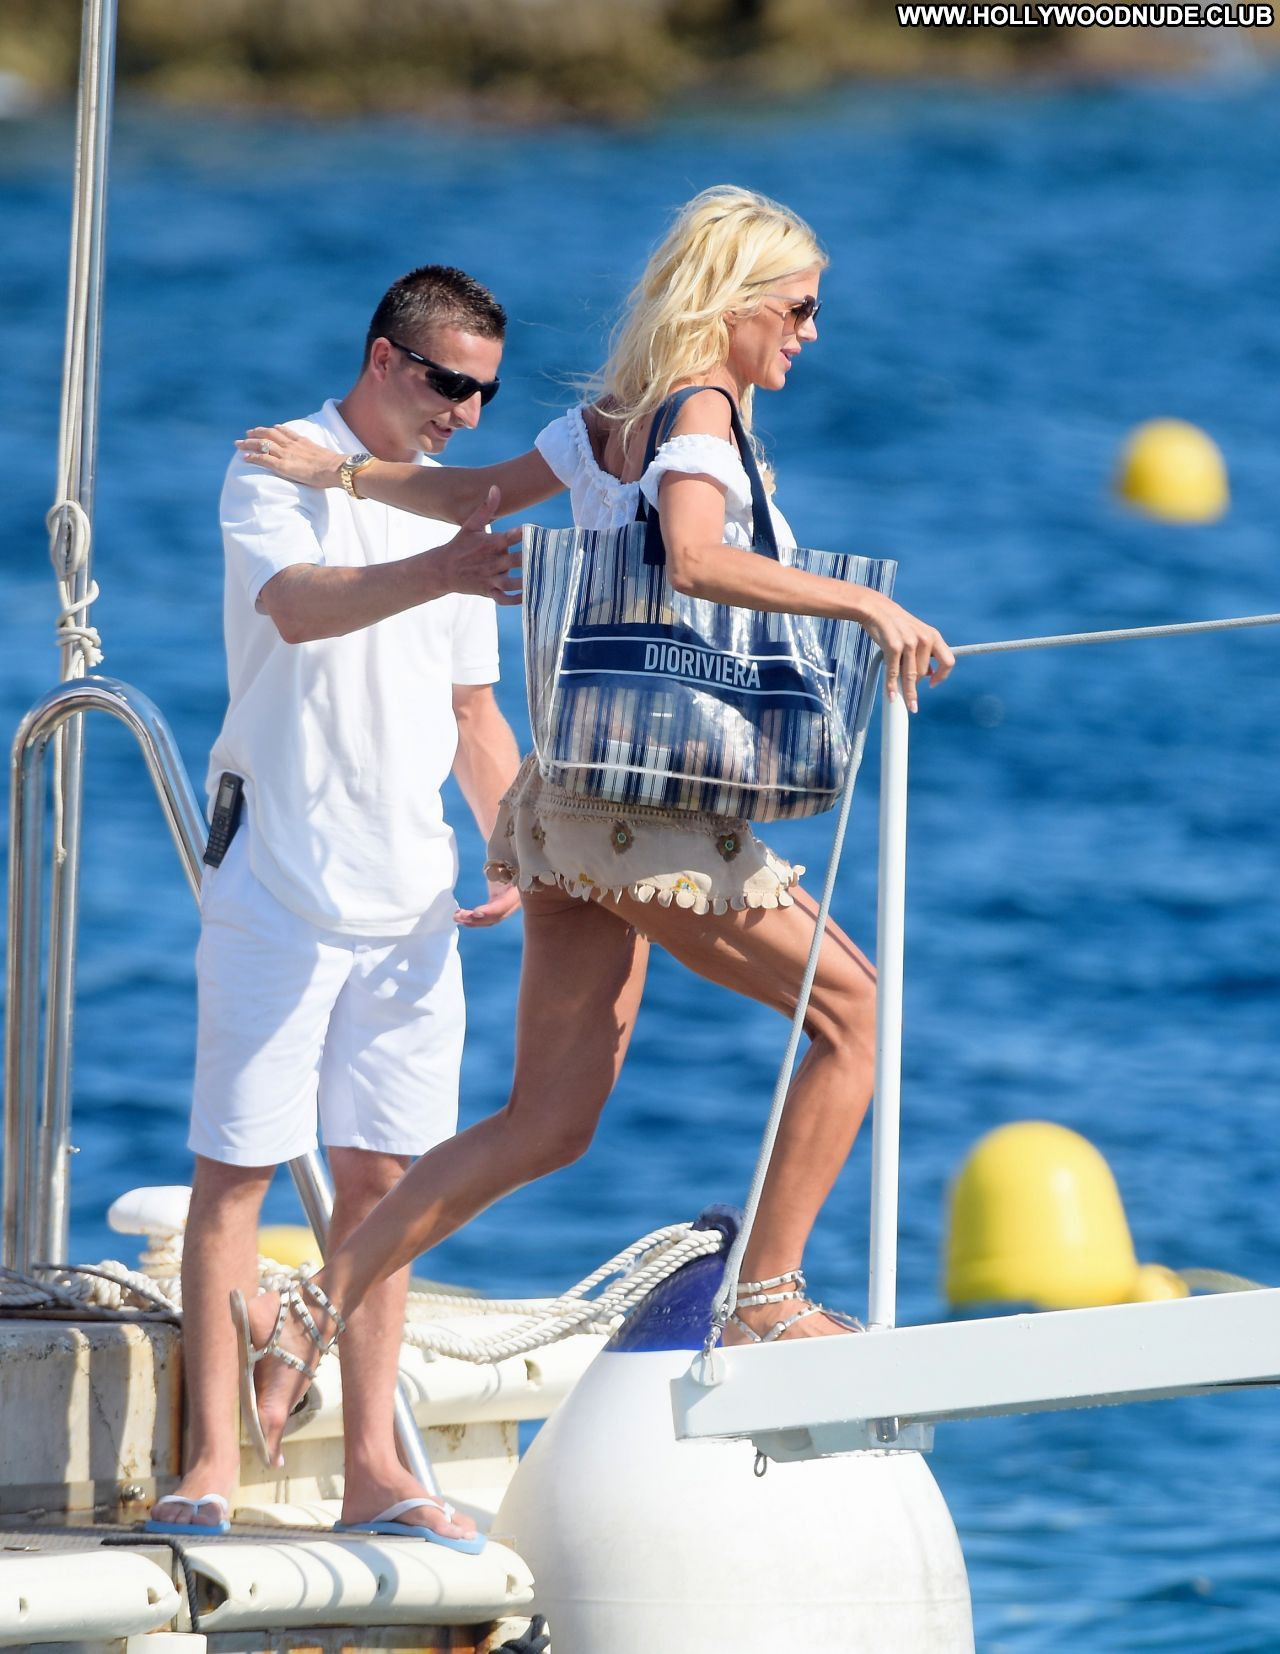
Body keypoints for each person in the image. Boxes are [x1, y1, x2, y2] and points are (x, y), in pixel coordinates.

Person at [232, 186, 955, 1467]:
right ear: (733, 300)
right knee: (856, 1014)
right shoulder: (697, 414)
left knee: (546, 1122)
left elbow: (470, 499)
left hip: (570, 799)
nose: (808, 333)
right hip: (652, 815)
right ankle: (768, 1293)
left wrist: (340, 472)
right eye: (796, 308)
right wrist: (864, 610)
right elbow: (695, 558)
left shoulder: (613, 416)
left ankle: (309, 1302)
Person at [147, 265, 522, 1551]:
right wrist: (443, 564)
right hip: (278, 873)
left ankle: (373, 1469)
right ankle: (208, 1465)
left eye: (486, 394)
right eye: (450, 384)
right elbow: (300, 609)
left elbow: (472, 711)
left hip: (411, 888)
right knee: (236, 1170)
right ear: (384, 358)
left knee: (385, 1179)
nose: (467, 415)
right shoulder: (275, 462)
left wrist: (515, 842)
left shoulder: (449, 508)